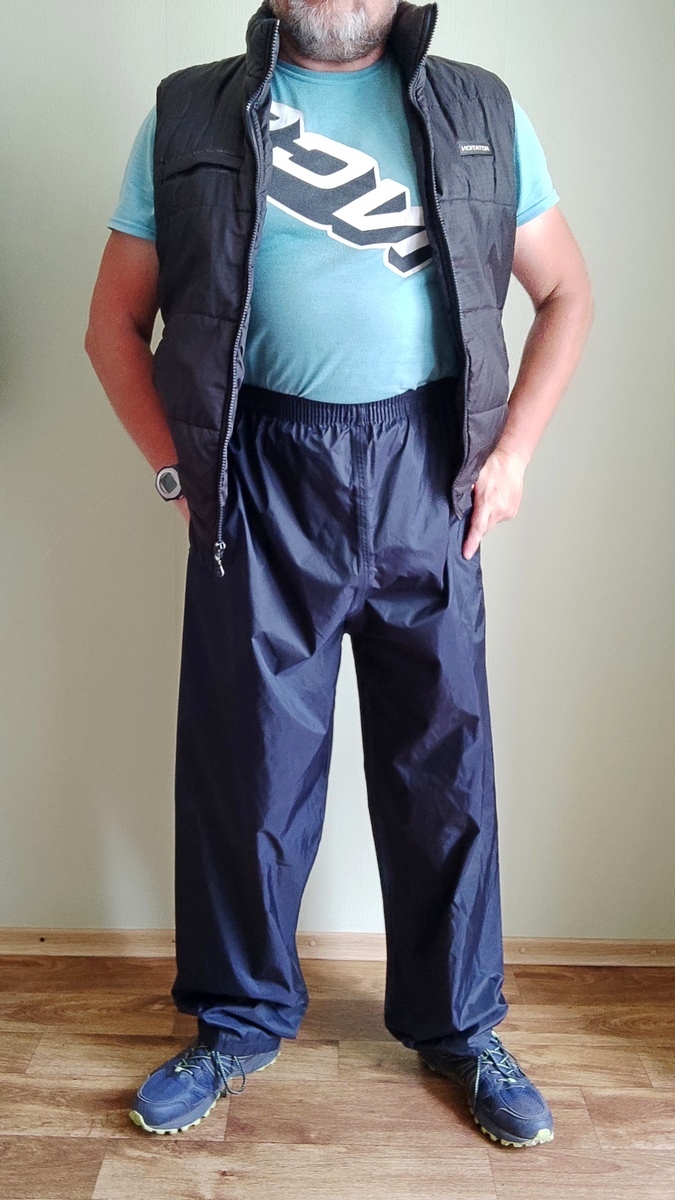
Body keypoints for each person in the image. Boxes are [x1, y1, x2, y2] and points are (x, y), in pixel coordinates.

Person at [85, 0, 593, 1148]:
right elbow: (113, 322)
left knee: (444, 766)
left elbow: (566, 292)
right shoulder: (187, 115)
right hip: (258, 470)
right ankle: (235, 1021)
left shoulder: (479, 110)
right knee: (248, 768)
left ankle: (462, 1027)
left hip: (428, 467)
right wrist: (176, 471)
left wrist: (513, 455)